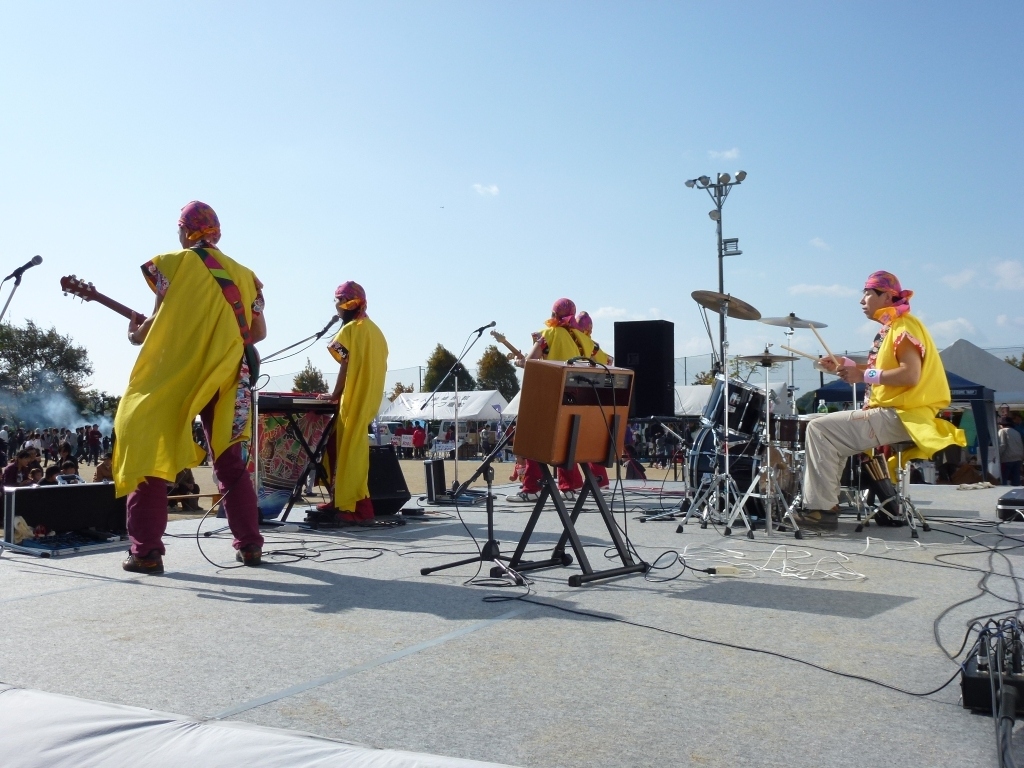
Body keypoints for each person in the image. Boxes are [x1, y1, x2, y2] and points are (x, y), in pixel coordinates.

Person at [113, 201, 266, 574]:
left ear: (184, 230)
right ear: (216, 232)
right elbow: (258, 332)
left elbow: (154, 322)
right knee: (230, 462)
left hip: (177, 373)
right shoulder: (247, 277)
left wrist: (135, 335)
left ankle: (146, 552)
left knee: (147, 450)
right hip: (229, 375)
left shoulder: (171, 264)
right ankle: (249, 545)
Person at [800, 271, 965, 531]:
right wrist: (845, 365)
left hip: (903, 414)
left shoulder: (904, 327)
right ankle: (825, 506)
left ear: (887, 296)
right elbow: (880, 370)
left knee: (819, 428)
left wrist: (862, 375)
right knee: (828, 433)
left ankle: (821, 510)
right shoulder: (894, 327)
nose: (861, 300)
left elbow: (910, 375)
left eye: (867, 293)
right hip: (897, 413)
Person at [507, 298, 596, 503]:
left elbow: (531, 363)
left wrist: (519, 362)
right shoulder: (585, 340)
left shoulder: (549, 334)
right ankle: (570, 486)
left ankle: (532, 488)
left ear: (553, 313)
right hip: (578, 399)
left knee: (532, 441)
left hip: (550, 397)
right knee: (567, 442)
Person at [316, 281, 388, 526]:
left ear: (349, 303)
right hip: (369, 399)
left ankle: (357, 507)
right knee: (340, 448)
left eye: (339, 301)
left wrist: (334, 394)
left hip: (353, 398)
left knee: (348, 452)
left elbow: (345, 365)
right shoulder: (376, 332)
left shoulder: (349, 331)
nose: (336, 306)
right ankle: (339, 499)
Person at [999, 417, 1024, 486]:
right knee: (1016, 479)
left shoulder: (1003, 431)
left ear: (1002, 425)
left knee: (1003, 479)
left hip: (1007, 458)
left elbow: (1002, 445)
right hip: (1018, 458)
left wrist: (997, 455)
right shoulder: (1016, 432)